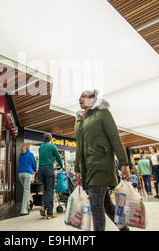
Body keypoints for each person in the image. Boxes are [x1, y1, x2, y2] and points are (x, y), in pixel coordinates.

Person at [74, 90, 129, 231]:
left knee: (95, 204)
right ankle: (125, 229)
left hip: (101, 165)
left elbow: (114, 137)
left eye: (83, 96)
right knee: (106, 205)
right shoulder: (79, 119)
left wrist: (123, 163)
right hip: (87, 169)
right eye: (79, 97)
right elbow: (79, 147)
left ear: (92, 99)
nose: (79, 99)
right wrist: (77, 170)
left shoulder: (102, 113)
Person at [38, 133, 64, 219]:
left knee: (45, 190)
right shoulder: (52, 146)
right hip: (48, 169)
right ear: (51, 139)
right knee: (50, 190)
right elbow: (58, 157)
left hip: (41, 170)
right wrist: (62, 166)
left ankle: (43, 206)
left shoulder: (40, 147)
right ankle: (49, 213)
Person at [18, 142, 37, 215]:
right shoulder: (30, 154)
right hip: (27, 173)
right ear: (29, 147)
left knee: (26, 190)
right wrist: (34, 170)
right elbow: (34, 164)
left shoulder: (21, 155)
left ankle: (28, 205)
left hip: (20, 174)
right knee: (26, 190)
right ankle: (23, 210)